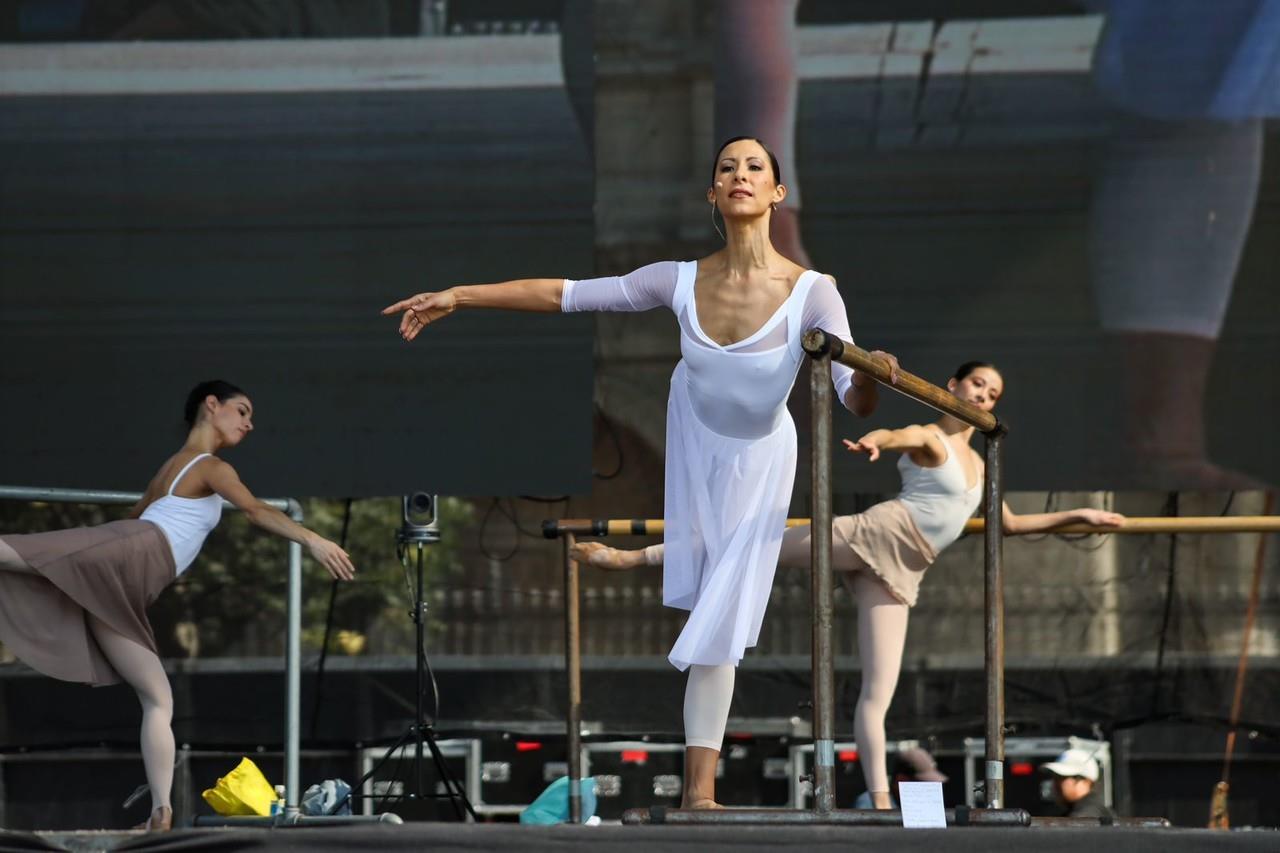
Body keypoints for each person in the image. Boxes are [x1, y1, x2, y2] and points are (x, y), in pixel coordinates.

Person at [383, 136, 895, 808]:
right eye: (726, 168)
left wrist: (870, 377)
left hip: (760, 456)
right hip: (694, 432)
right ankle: (698, 791)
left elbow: (854, 394)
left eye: (755, 167)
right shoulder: (678, 277)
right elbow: (565, 294)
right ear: (713, 193)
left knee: (719, 621)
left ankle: (699, 792)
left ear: (777, 192)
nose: (740, 174)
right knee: (711, 608)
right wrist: (462, 294)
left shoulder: (813, 291)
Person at [571, 360, 1126, 808]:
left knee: (877, 694)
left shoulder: (980, 464)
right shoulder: (933, 438)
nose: (984, 397)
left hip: (905, 567)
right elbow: (898, 430)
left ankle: (881, 799)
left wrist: (1081, 515)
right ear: (954, 387)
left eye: (994, 393)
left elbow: (1008, 525)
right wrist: (877, 441)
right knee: (755, 545)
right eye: (977, 385)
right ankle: (635, 557)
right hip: (875, 534)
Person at [0, 380, 356, 831]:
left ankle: (160, 814)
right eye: (242, 411)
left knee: (157, 697)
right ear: (212, 406)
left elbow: (133, 520)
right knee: (17, 554)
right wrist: (313, 539)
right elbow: (255, 510)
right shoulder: (211, 466)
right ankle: (160, 813)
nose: (250, 423)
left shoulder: (171, 468)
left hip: (126, 580)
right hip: (132, 555)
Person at [852, 745, 947, 810]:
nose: (928, 791)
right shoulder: (868, 803)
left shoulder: (923, 808)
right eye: (922, 784)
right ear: (901, 780)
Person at [1041, 747, 1115, 819]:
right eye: (1055, 777)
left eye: (1062, 777)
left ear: (1086, 781)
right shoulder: (1079, 812)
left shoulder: (1087, 815)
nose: (1056, 783)